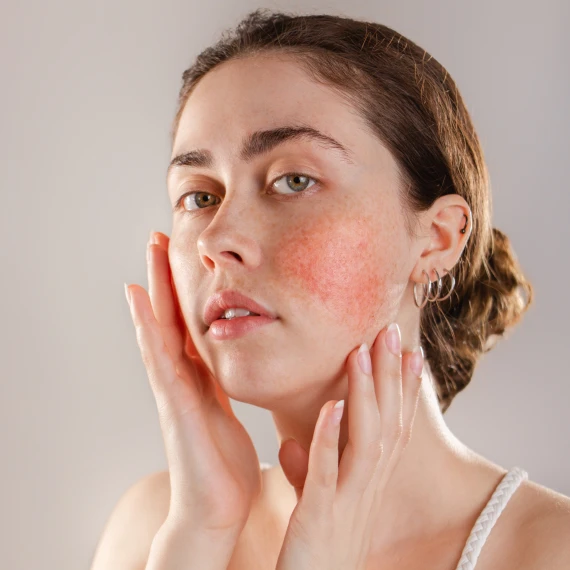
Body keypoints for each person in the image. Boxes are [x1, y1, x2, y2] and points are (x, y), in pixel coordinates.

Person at [91, 9, 570, 570]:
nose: (217, 238)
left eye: (294, 180)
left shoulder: (549, 551)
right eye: (199, 195)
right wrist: (200, 533)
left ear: (437, 238)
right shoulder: (154, 530)